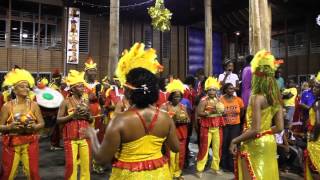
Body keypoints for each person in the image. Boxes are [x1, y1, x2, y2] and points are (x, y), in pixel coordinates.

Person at [82, 42, 179, 180]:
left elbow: (101, 159)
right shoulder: (166, 119)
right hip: (160, 174)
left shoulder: (119, 121)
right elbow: (175, 148)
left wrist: (91, 135)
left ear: (127, 92)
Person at [229, 50, 284, 180]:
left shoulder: (256, 98)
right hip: (269, 142)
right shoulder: (276, 97)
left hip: (255, 144)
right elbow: (280, 128)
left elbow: (255, 129)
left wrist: (234, 140)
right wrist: (265, 133)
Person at [0, 68, 44, 180]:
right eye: (22, 86)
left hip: (30, 143)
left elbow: (42, 123)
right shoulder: (7, 106)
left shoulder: (34, 105)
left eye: (27, 86)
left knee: (33, 173)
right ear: (14, 90)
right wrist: (9, 127)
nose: (26, 89)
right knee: (7, 174)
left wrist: (35, 126)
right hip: (11, 144)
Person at [57, 70, 93, 180]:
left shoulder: (85, 101)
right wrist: (72, 116)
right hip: (70, 139)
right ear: (72, 89)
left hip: (85, 138)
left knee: (86, 165)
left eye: (83, 86)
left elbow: (90, 119)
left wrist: (87, 116)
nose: (83, 88)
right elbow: (58, 120)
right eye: (80, 87)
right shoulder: (66, 102)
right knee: (71, 166)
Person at [196, 77, 225, 177]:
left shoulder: (218, 100)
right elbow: (199, 113)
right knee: (204, 148)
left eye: (214, 89)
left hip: (217, 126)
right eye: (210, 90)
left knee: (217, 148)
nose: (212, 91)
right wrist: (210, 112)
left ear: (216, 90)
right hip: (206, 127)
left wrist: (223, 112)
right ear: (207, 90)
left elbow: (222, 112)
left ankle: (215, 167)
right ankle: (200, 169)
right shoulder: (204, 100)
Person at [161, 79, 190, 179]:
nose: (177, 98)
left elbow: (188, 119)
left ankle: (178, 174)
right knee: (170, 156)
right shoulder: (165, 106)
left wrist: (183, 120)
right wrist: (173, 120)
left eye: (179, 96)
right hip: (170, 135)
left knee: (180, 155)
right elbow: (161, 121)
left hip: (182, 134)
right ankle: (169, 174)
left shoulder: (183, 107)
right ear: (171, 96)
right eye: (175, 96)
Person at [220, 83, 244, 172]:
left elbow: (241, 112)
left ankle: (232, 165)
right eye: (230, 88)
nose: (232, 90)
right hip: (224, 125)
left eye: (233, 88)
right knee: (224, 144)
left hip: (235, 125)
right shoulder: (221, 100)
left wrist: (238, 121)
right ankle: (223, 164)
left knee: (233, 144)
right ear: (225, 90)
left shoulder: (239, 100)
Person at [305, 72, 320, 180]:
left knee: (315, 168)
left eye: (317, 87)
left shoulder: (317, 103)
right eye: (314, 86)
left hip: (317, 140)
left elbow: (318, 122)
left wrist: (314, 137)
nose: (314, 89)